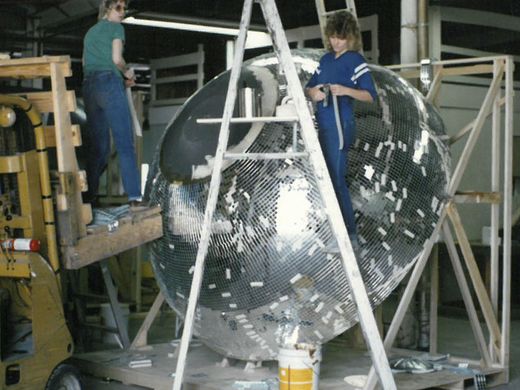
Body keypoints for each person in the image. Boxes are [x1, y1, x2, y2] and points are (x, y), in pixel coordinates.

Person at [305, 10, 377, 250]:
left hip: (340, 124)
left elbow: (369, 95)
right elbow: (308, 88)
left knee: (336, 179)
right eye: (334, 37)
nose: (337, 42)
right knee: (324, 181)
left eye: (341, 38)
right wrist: (313, 93)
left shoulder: (355, 61)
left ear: (350, 38)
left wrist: (345, 90)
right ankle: (334, 232)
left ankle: (350, 236)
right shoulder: (326, 60)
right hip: (323, 125)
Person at [82, 0, 142, 207]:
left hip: (89, 87)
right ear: (107, 9)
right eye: (119, 8)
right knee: (125, 144)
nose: (123, 13)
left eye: (124, 8)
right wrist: (127, 73)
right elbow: (117, 59)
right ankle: (134, 197)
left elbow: (86, 64)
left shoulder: (90, 32)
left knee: (98, 148)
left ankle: (88, 198)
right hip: (109, 84)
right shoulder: (117, 28)